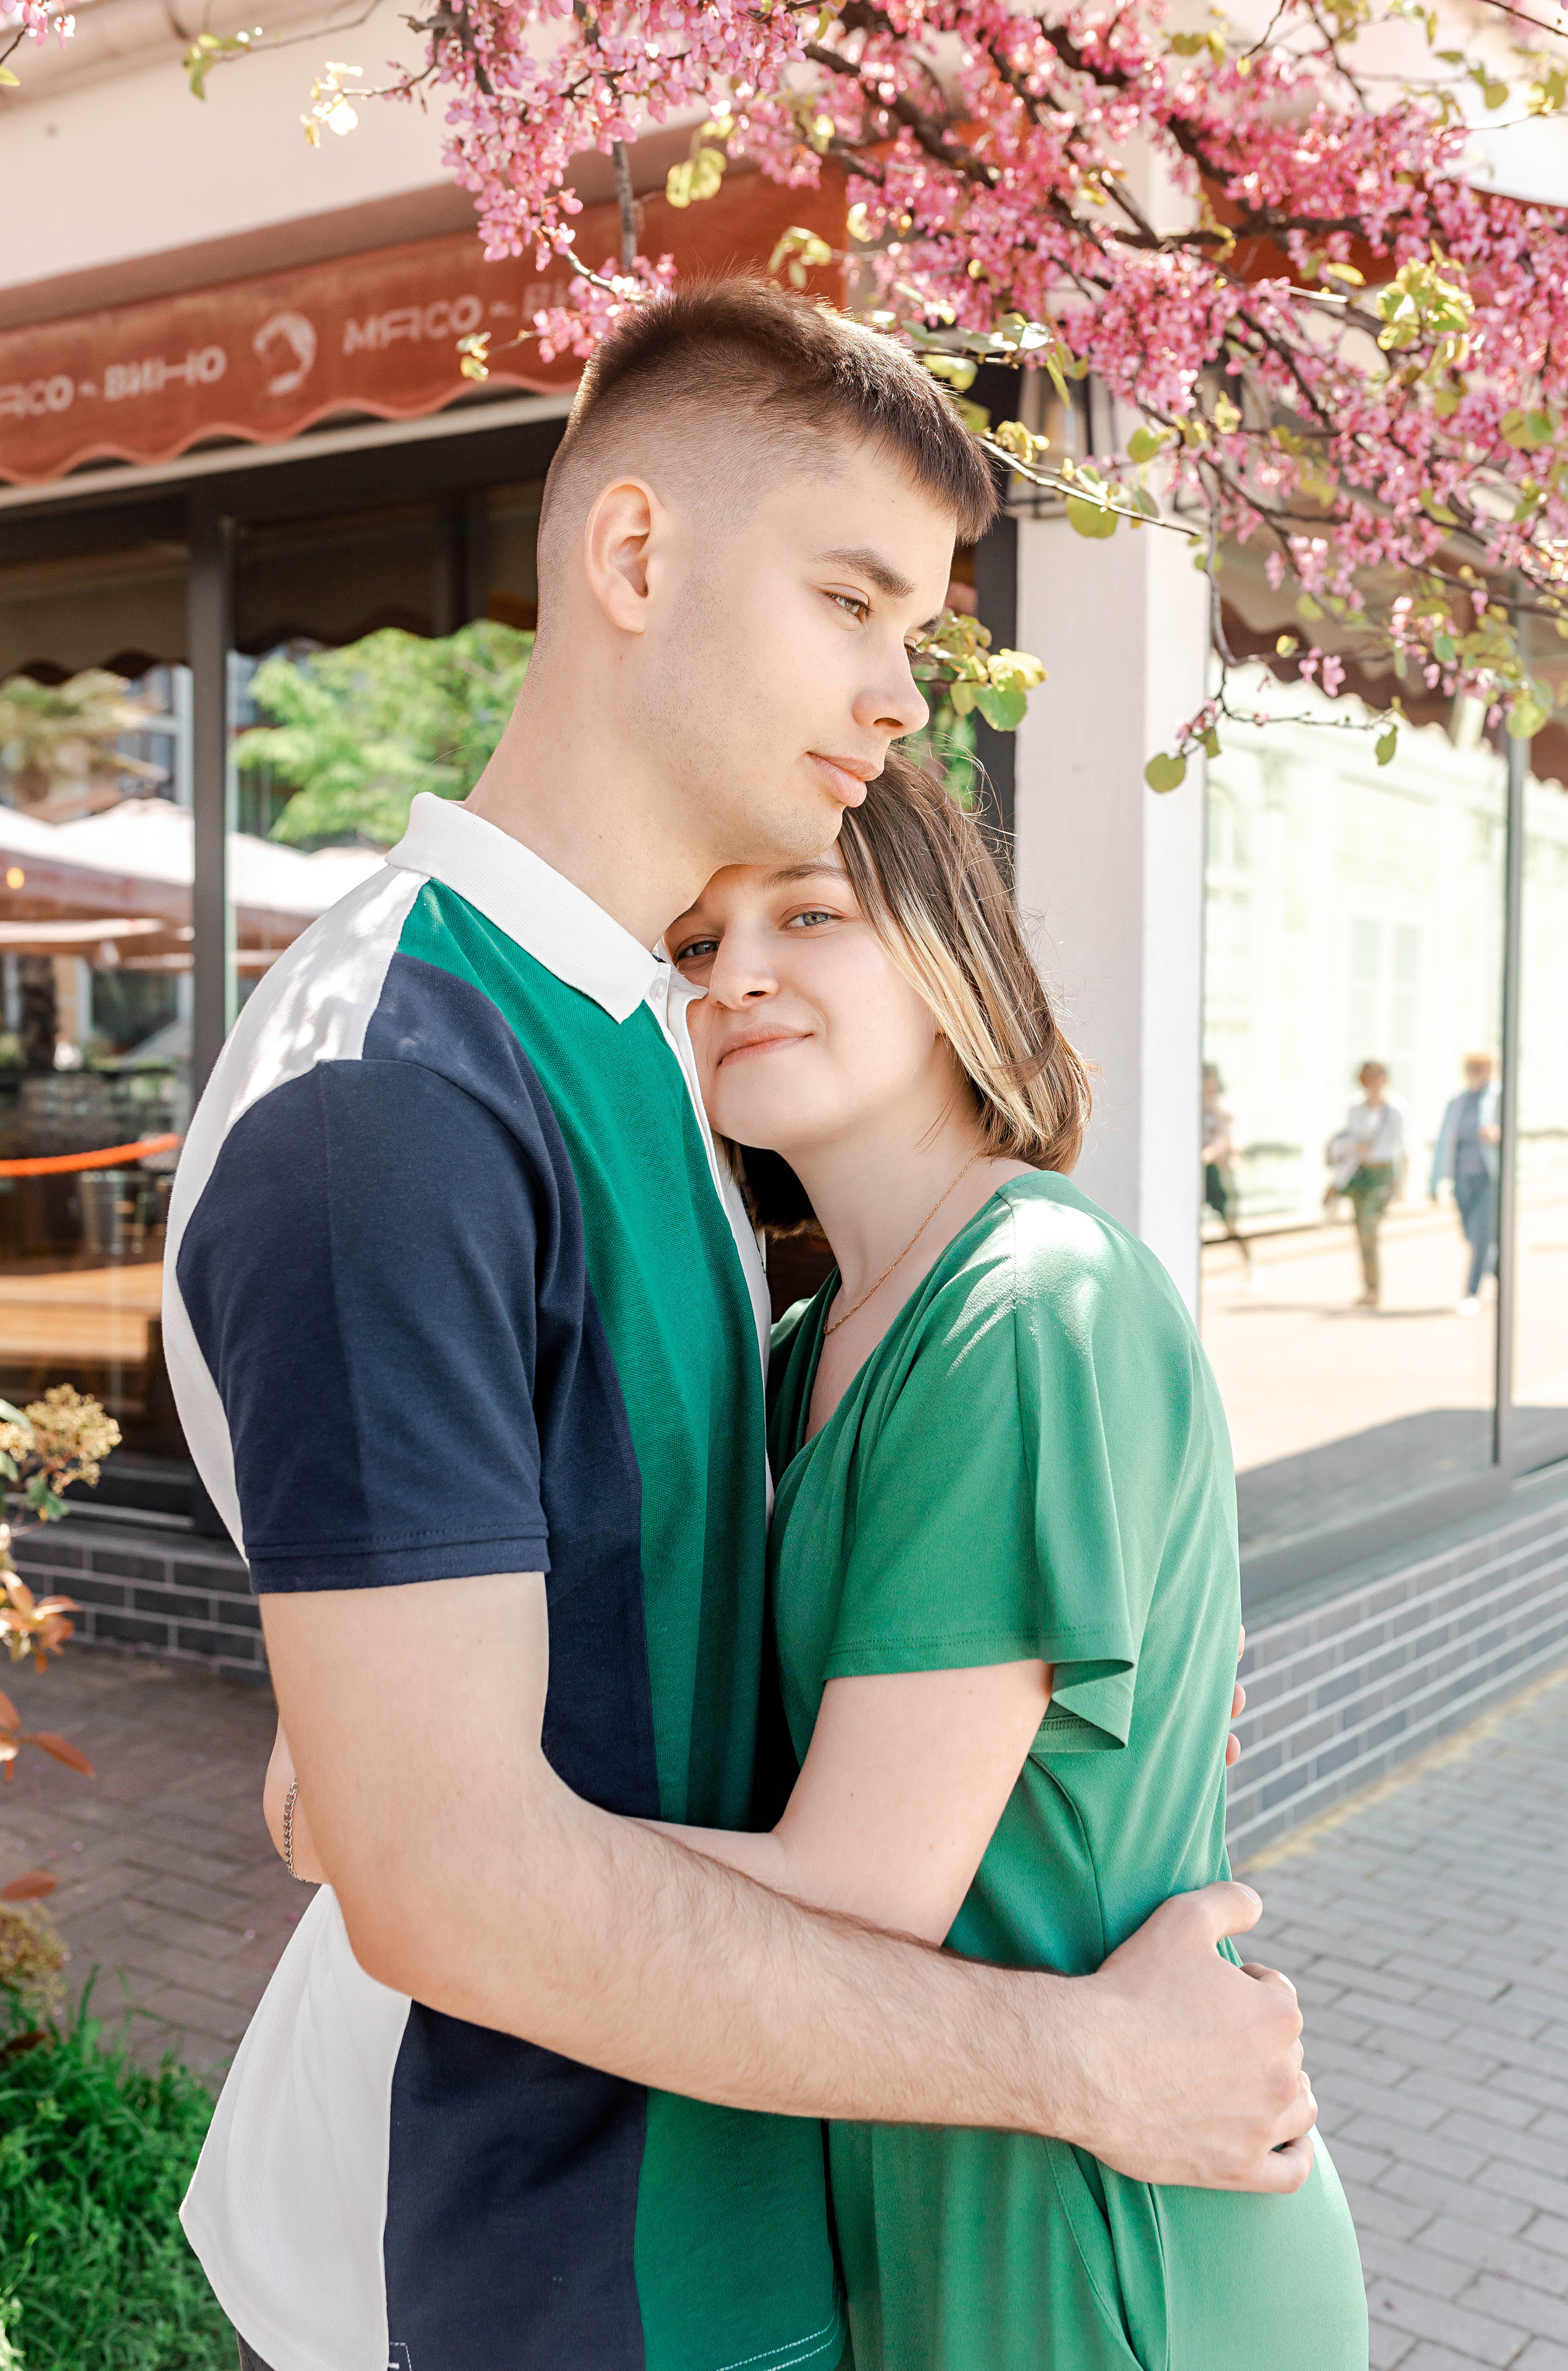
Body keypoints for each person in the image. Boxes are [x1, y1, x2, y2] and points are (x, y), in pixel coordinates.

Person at [165, 283, 1315, 2371]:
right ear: (632, 556)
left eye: (920, 626)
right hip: (504, 2262)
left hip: (746, 2223)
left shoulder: (649, 1070)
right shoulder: (394, 1097)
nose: (901, 688)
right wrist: (1080, 2063)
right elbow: (446, 1879)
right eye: (855, 600)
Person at [656, 755, 1367, 2371]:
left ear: (947, 954)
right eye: (694, 945)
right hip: (928, 2182)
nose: (736, 975)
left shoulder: (1031, 1305)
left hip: (1105, 2226)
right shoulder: (794, 1355)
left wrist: (424, 1835)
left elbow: (854, 1897)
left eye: (808, 913)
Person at [1325, 1061, 1406, 1308]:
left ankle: (1375, 1288)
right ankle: (1369, 1288)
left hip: (1382, 1174)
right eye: (1370, 1078)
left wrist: (1402, 1184)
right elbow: (1349, 1138)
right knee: (1361, 1231)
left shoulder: (1395, 1110)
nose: (1375, 1083)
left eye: (1379, 1077)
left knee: (1370, 1227)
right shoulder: (1355, 1108)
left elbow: (1404, 1147)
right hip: (1360, 1173)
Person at [1430, 1053, 1501, 1315]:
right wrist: (1434, 1182)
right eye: (1471, 1068)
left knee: (1482, 1235)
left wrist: (1498, 1134)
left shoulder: (1498, 1098)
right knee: (1471, 1235)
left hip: (1488, 1178)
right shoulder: (1457, 1103)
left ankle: (1471, 1293)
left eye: (1481, 1068)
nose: (1475, 1072)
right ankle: (1498, 1271)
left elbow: (1513, 1131)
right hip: (1461, 1178)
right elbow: (1443, 1145)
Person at [1203, 1061, 1251, 1265]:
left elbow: (1224, 1141)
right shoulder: (1195, 1106)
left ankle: (1250, 1264)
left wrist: (1208, 1154)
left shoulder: (1221, 1108)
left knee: (1230, 1224)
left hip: (1219, 1173)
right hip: (1200, 1173)